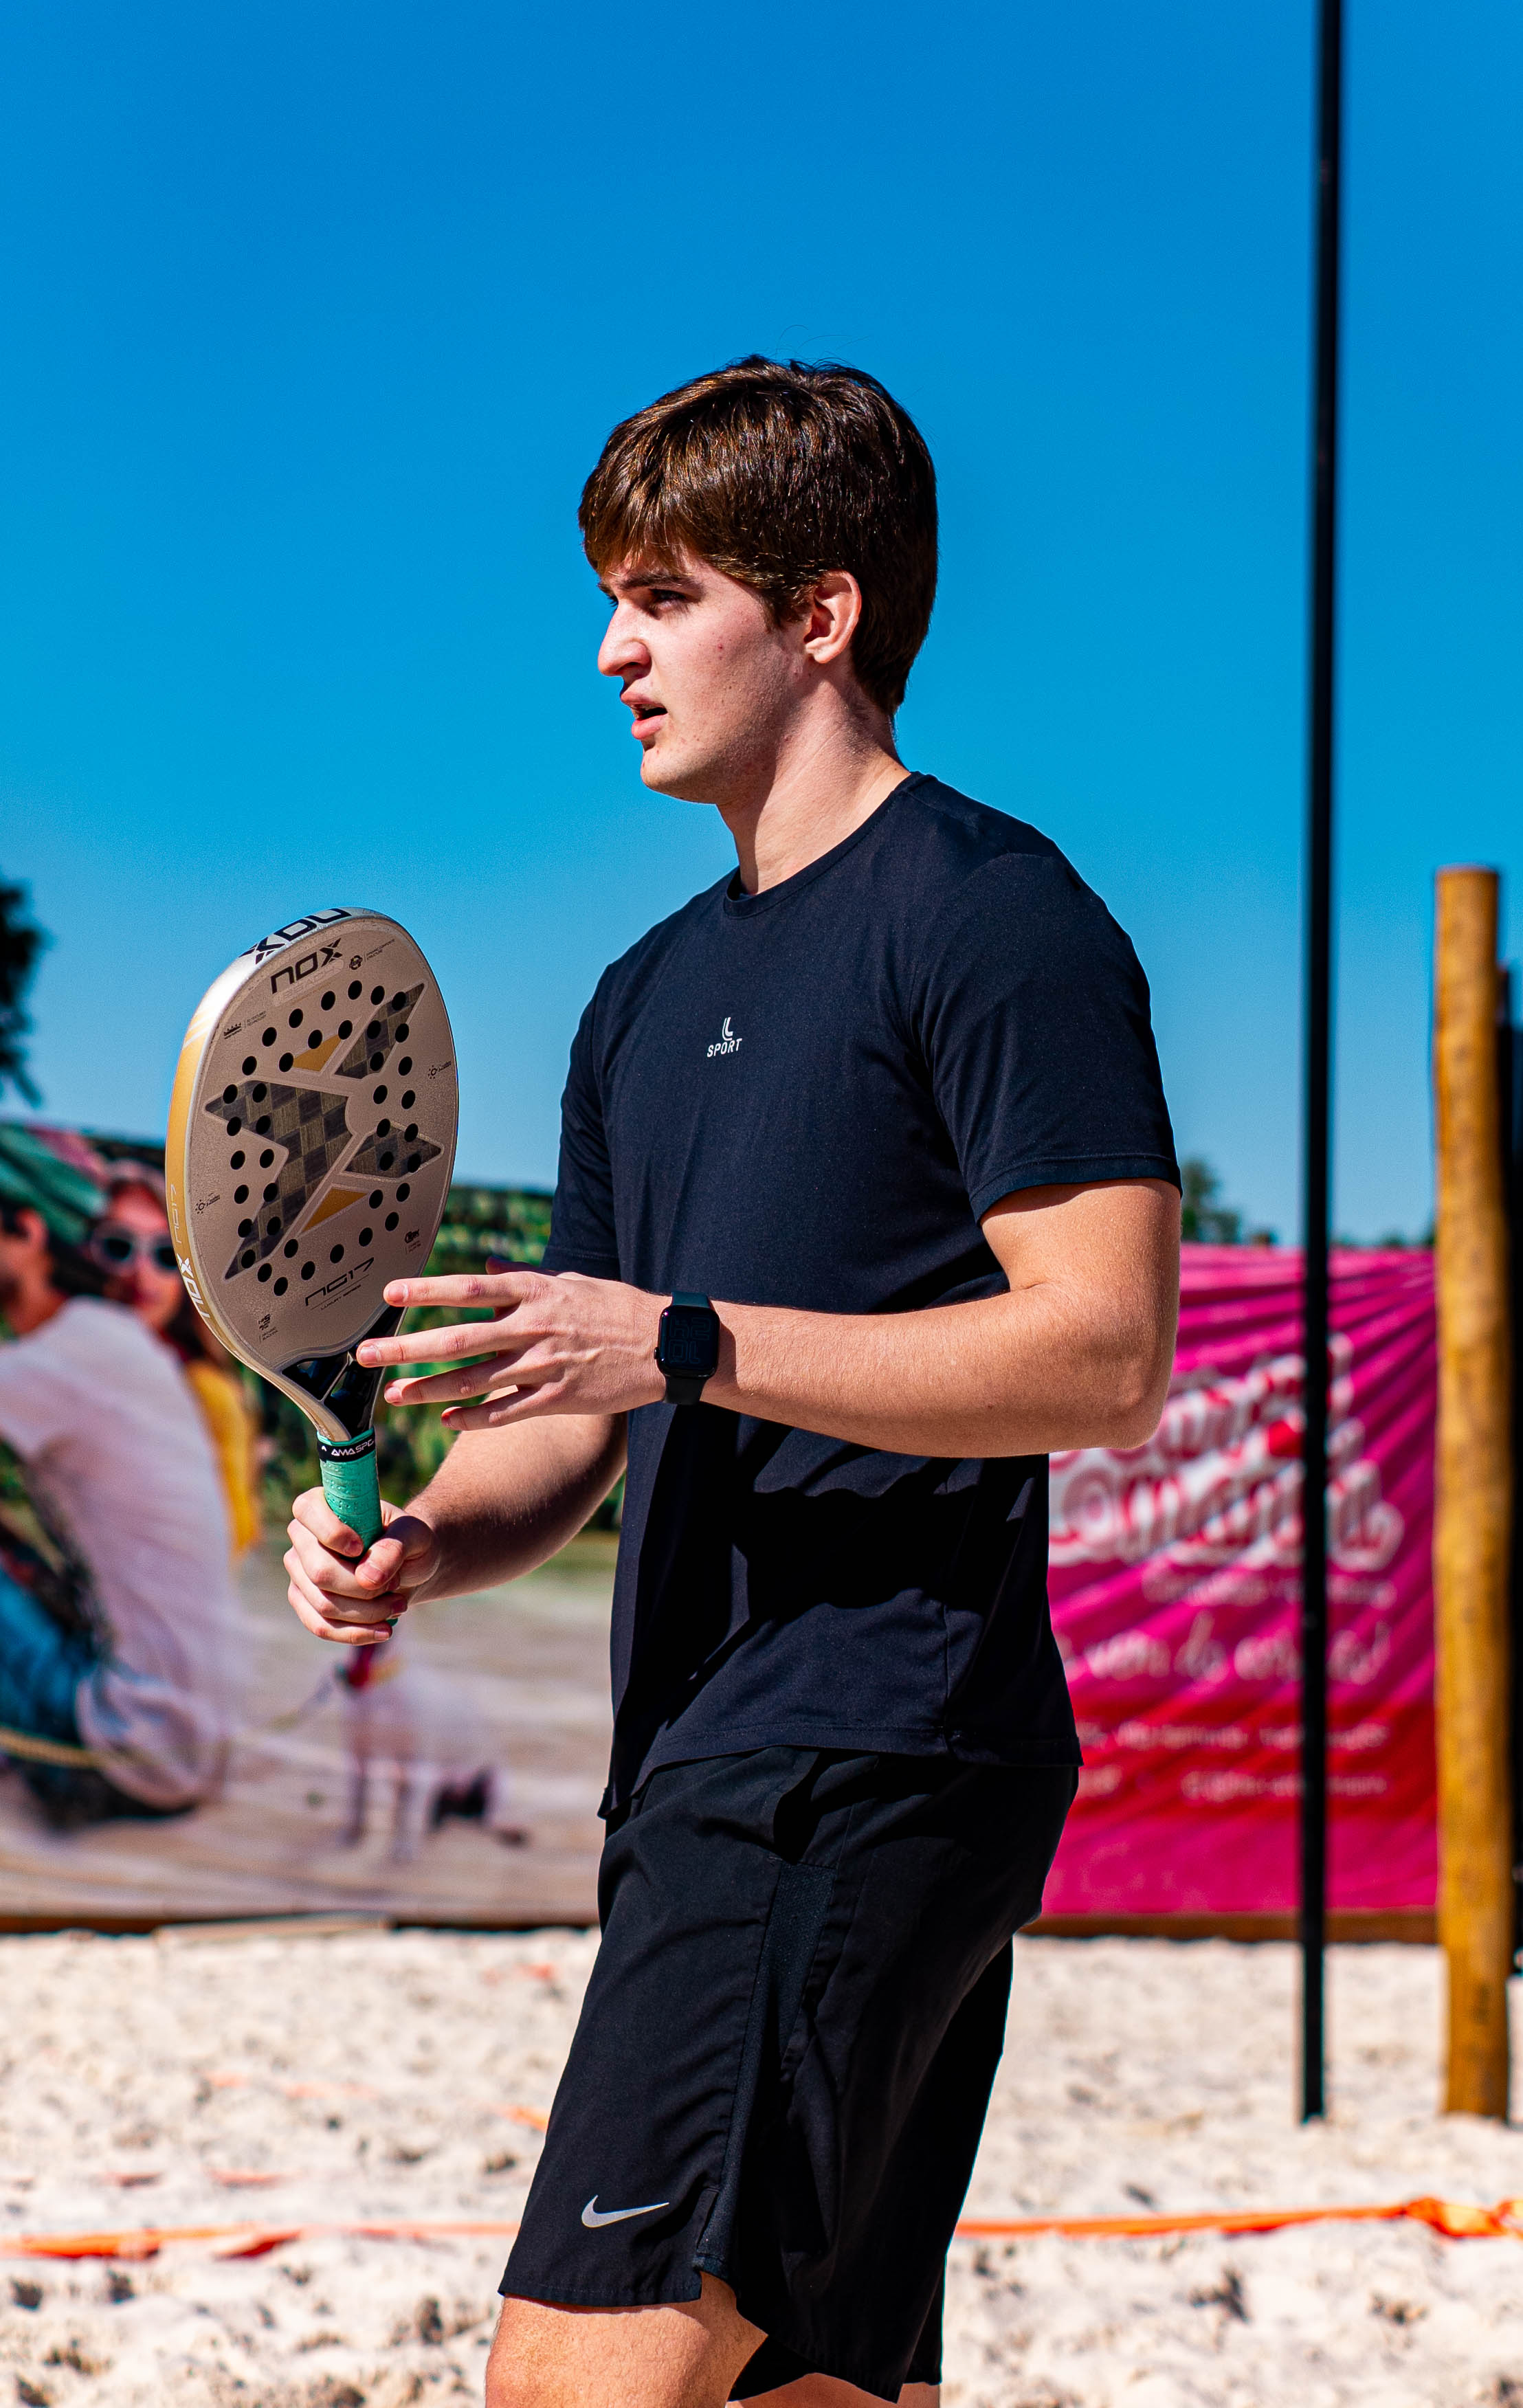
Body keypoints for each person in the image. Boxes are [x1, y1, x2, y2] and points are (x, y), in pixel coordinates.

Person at [284, 358, 1181, 2408]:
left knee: (579, 2383)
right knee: (807, 2390)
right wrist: (430, 1535)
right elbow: (570, 1427)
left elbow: (1107, 1346)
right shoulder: (640, 998)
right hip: (712, 1752)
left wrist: (683, 1339)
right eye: (612, 594)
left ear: (823, 614)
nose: (610, 646)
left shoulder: (993, 914)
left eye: (665, 591)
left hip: (863, 1745)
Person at [0, 1122, 245, 1824]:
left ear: (25, 1228)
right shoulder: (112, 1346)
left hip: (130, 1749)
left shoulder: (74, 1352)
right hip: (190, 1741)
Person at [93, 1160, 265, 1558]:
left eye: (165, 1255)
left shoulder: (202, 1389)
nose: (141, 1272)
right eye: (118, 1246)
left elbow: (233, 1533)